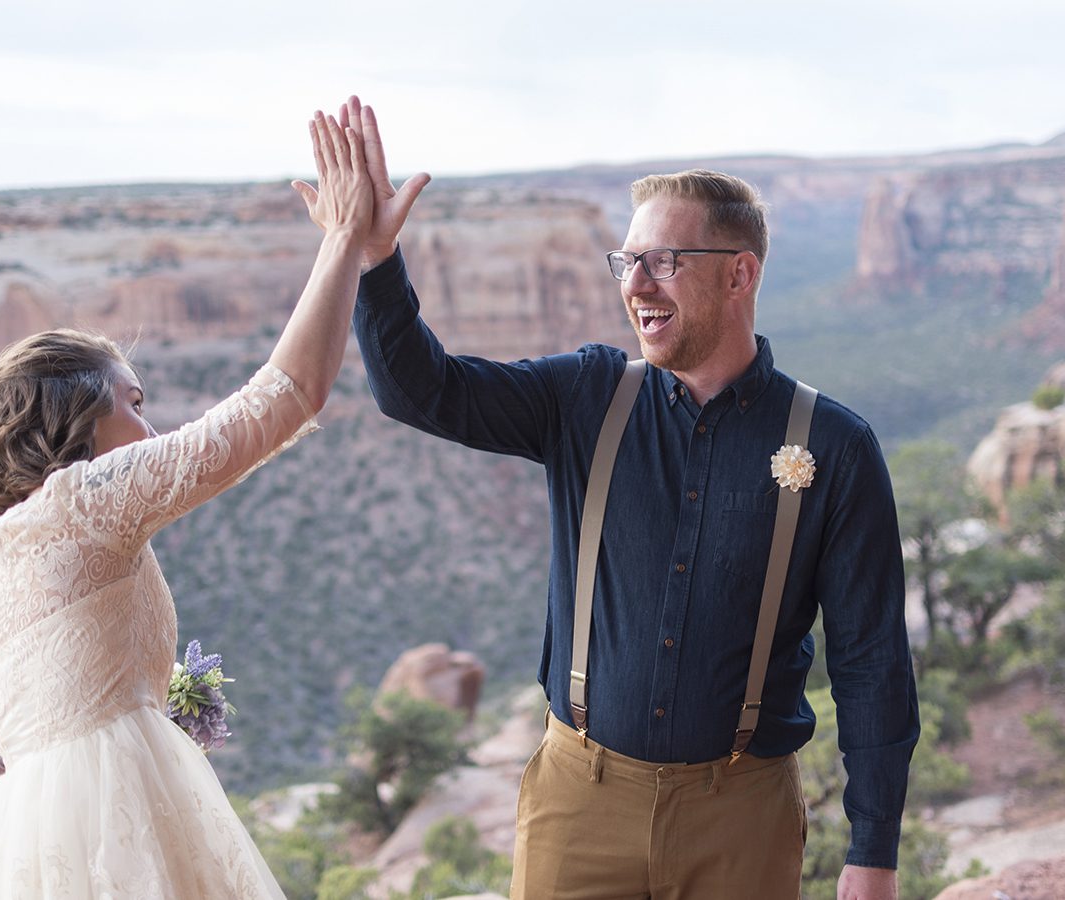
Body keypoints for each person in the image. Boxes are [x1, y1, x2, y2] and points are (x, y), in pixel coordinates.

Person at [345, 96, 919, 900]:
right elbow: (422, 391)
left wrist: (873, 852)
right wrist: (375, 261)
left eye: (663, 261)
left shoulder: (836, 446)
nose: (636, 284)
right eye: (627, 261)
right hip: (579, 804)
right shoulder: (582, 396)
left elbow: (870, 663)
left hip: (741, 817)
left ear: (740, 272)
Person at [0, 99, 380, 898]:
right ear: (80, 421)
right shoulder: (88, 499)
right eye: (135, 402)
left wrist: (45, 792)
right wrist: (343, 242)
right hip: (139, 826)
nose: (151, 426)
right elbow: (283, 398)